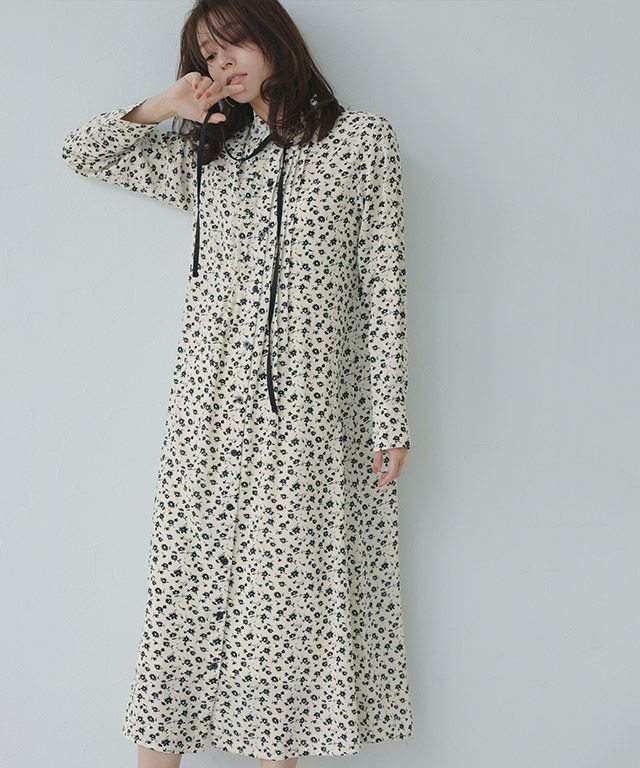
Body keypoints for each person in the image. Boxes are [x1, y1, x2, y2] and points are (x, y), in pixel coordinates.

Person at [60, 0, 413, 766]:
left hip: (308, 418)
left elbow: (383, 287)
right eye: (208, 55)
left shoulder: (362, 142)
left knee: (280, 617)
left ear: (275, 37)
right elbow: (83, 152)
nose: (223, 64)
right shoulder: (212, 153)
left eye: (235, 44)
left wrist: (390, 418)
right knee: (182, 606)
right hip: (209, 414)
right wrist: (166, 104)